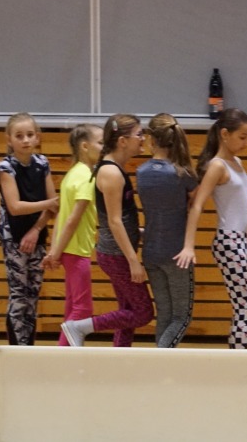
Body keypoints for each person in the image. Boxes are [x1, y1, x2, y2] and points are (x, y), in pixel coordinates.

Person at [61, 114, 153, 347]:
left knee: (128, 311)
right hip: (117, 255)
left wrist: (138, 232)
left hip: (117, 252)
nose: (143, 138)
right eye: (139, 134)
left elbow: (119, 218)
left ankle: (119, 358)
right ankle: (80, 327)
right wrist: (133, 261)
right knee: (143, 313)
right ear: (122, 141)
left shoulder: (114, 169)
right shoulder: (111, 172)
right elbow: (114, 221)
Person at [175, 108, 247, 349]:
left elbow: (239, 203)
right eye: (242, 137)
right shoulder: (217, 166)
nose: (246, 143)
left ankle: (239, 351)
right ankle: (239, 354)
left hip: (244, 239)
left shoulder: (237, 162)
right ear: (224, 134)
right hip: (229, 241)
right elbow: (197, 205)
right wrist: (189, 245)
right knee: (244, 304)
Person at [136, 113, 199, 348]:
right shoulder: (183, 174)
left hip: (151, 252)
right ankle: (161, 357)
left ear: (151, 139)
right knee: (181, 317)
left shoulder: (141, 172)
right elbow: (196, 203)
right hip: (177, 254)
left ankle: (160, 362)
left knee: (164, 313)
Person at [0, 113, 59, 345]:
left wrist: (36, 229)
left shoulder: (42, 163)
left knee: (33, 294)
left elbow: (54, 208)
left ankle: (28, 347)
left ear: (37, 137)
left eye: (30, 135)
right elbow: (15, 207)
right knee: (18, 294)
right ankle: (16, 348)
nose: (25, 140)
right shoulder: (6, 167)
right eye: (19, 136)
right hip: (13, 237)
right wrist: (48, 203)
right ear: (9, 139)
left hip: (37, 235)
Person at [43, 124, 103, 346]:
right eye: (101, 143)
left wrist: (55, 250)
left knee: (72, 306)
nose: (104, 148)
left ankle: (65, 356)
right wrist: (55, 252)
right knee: (83, 309)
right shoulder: (87, 177)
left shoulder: (73, 173)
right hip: (76, 250)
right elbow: (71, 219)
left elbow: (61, 215)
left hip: (69, 249)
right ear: (85, 146)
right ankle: (62, 355)